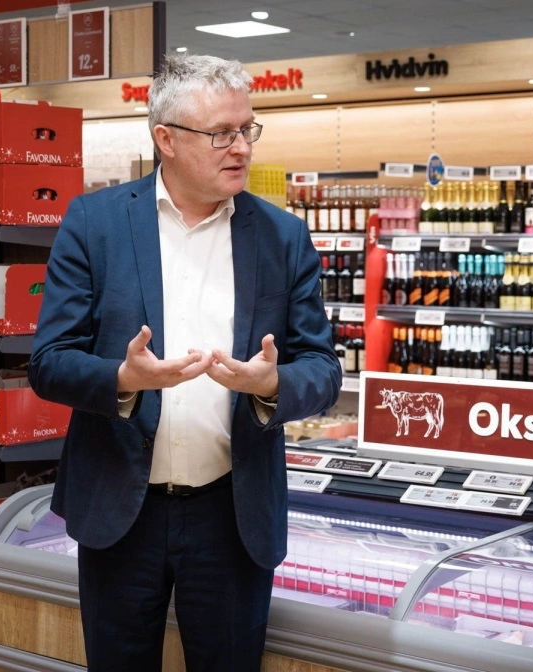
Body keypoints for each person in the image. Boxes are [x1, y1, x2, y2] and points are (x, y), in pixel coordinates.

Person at [28, 53, 340, 671]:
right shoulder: (96, 224)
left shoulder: (282, 237)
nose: (241, 148)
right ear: (165, 139)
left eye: (247, 129)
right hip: (122, 509)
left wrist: (272, 383)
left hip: (232, 514)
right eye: (221, 133)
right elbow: (49, 362)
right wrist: (122, 379)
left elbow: (323, 370)